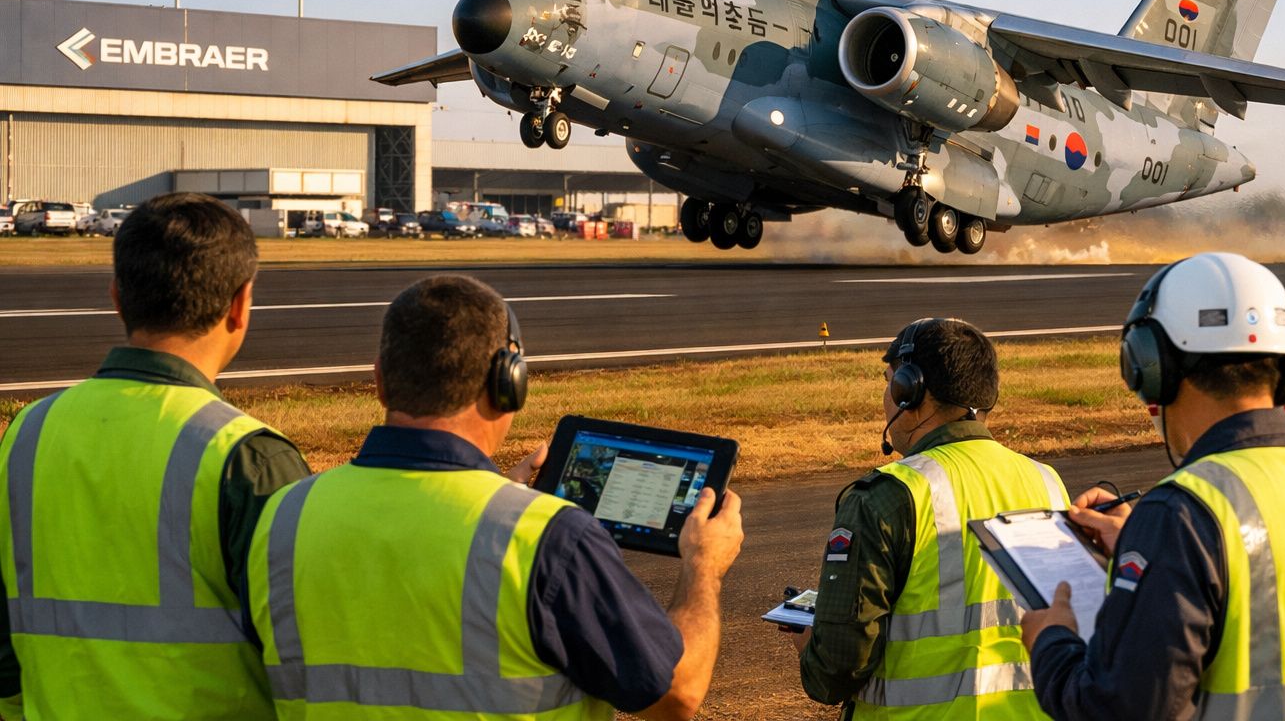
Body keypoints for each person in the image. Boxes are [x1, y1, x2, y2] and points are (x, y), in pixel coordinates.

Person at [247, 274, 744, 720]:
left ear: (378, 381)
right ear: (509, 383)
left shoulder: (284, 514)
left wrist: (498, 497)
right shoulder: (547, 538)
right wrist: (702, 566)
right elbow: (675, 695)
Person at [1023, 252, 1285, 719]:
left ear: (1151, 368)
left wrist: (1051, 640)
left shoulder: (1180, 515)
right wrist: (1142, 545)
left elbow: (1117, 708)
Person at [0, 192, 311, 720]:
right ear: (240, 305)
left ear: (118, 297)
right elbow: (304, 662)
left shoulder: (27, 433)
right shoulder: (246, 457)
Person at [792, 317, 1070, 720]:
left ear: (909, 390)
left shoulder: (887, 496)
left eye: (888, 382)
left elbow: (835, 670)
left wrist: (811, 647)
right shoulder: (1048, 483)